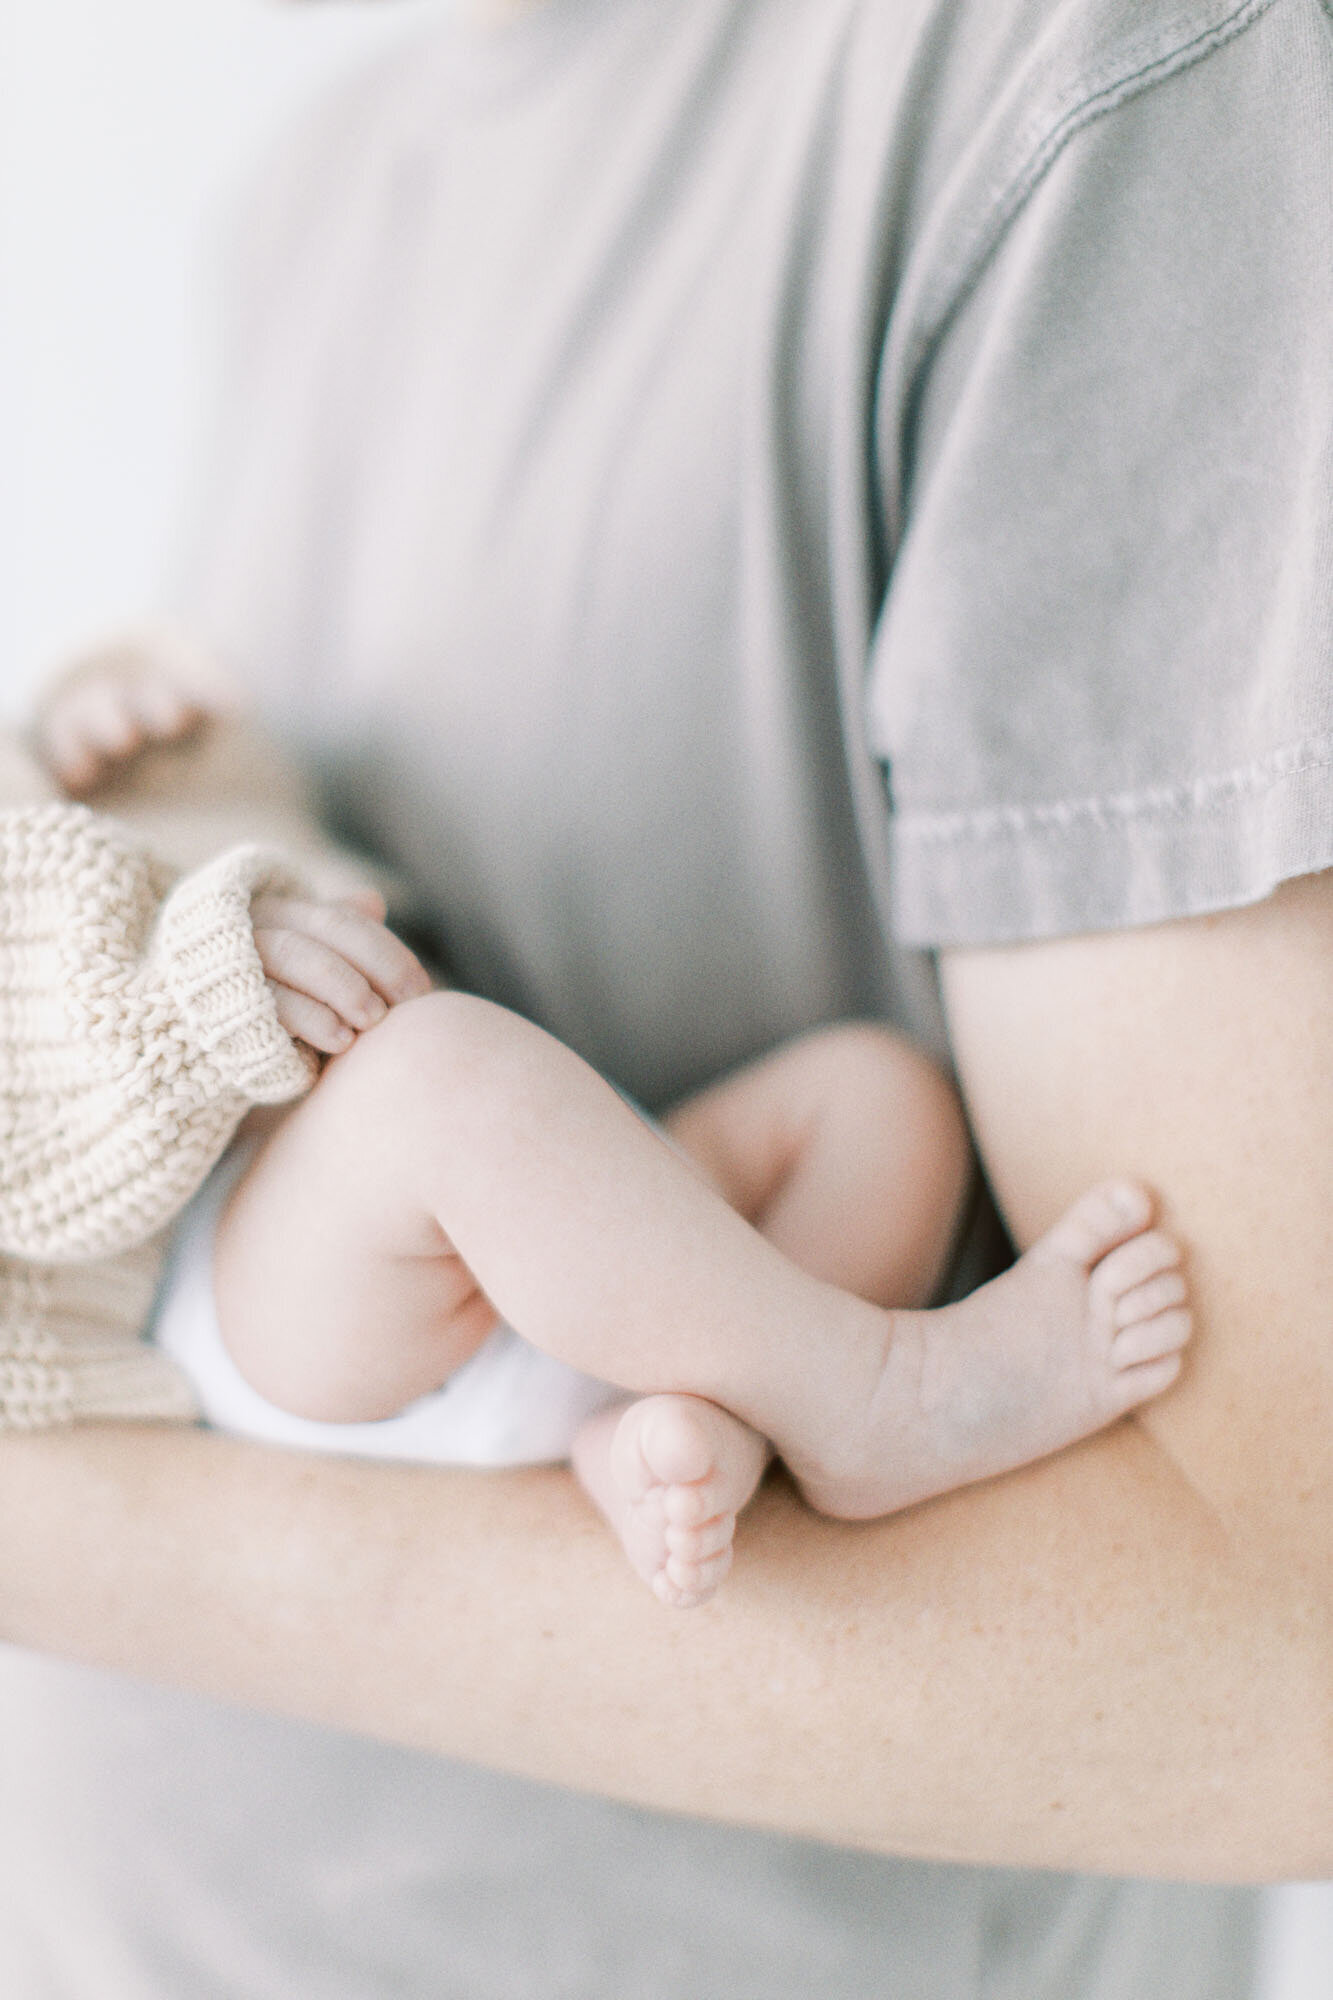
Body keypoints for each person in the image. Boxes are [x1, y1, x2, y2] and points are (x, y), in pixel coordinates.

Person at [0, 0, 1329, 1993]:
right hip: (255, 1415)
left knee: (849, 1112)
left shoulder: (1086, 76)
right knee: (452, 1090)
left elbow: (1283, 1669)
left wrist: (106, 796)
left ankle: (815, 1400)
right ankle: (707, 1410)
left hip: (342, 1323)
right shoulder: (315, 197)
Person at [14, 640, 1188, 1612]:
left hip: (543, 1218)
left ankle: (690, 1422)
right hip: (251, 1285)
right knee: (432, 1083)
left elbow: (183, 851)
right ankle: (872, 1393)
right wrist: (194, 982)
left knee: (874, 1098)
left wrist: (132, 752)